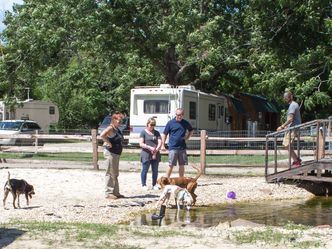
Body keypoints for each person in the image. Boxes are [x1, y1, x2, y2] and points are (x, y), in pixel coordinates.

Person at [161, 108, 193, 178]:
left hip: (182, 147)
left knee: (182, 165)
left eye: (181, 115)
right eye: (178, 115)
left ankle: (181, 180)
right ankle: (166, 180)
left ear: (183, 115)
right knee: (171, 164)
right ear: (175, 114)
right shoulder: (170, 123)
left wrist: (187, 137)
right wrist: (163, 145)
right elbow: (164, 134)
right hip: (173, 147)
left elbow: (191, 130)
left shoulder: (185, 123)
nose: (179, 116)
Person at [100, 111, 125, 199]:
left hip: (116, 153)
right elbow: (102, 135)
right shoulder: (110, 128)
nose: (120, 122)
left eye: (121, 120)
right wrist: (108, 143)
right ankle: (108, 192)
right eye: (119, 120)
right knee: (110, 172)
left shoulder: (117, 129)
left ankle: (116, 192)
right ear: (114, 120)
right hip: (110, 153)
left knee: (115, 173)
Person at [277, 91, 302, 167]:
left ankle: (296, 161)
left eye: (286, 97)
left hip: (293, 128)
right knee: (288, 145)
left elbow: (290, 119)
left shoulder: (292, 105)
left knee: (287, 145)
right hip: (292, 127)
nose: (285, 99)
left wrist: (282, 126)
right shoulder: (294, 104)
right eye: (285, 98)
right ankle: (297, 159)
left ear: (290, 97)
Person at [139, 117, 162, 191]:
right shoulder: (143, 132)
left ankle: (154, 184)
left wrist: (156, 149)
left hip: (155, 154)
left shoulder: (156, 132)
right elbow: (141, 143)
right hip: (146, 154)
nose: (152, 126)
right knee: (145, 170)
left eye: (154, 125)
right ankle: (143, 184)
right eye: (151, 124)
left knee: (155, 170)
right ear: (147, 124)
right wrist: (149, 147)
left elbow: (160, 142)